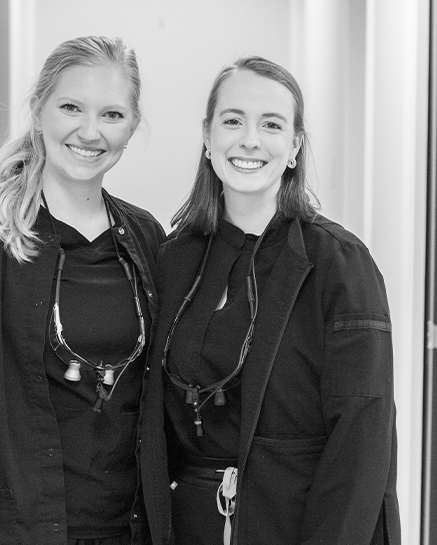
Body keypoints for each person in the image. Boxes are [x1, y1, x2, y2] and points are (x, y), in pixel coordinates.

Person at [0, 36, 165, 545]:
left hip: (125, 529)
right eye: (71, 107)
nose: (90, 131)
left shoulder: (148, 240)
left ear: (132, 126)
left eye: (112, 114)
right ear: (39, 108)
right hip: (4, 529)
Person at [140, 56, 400, 545]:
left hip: (297, 524)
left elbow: (362, 444)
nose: (250, 140)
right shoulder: (173, 260)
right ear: (207, 135)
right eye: (233, 120)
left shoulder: (340, 264)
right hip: (188, 525)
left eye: (272, 125)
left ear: (295, 145)